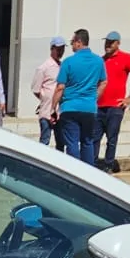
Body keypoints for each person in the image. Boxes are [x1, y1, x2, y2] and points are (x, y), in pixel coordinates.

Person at [53, 30, 105, 166]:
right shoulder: (98, 61)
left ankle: (74, 171)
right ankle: (88, 172)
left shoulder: (68, 62)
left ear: (79, 42)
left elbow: (60, 87)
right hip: (89, 108)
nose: (71, 46)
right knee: (87, 141)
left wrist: (53, 107)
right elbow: (103, 82)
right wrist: (94, 98)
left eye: (72, 43)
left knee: (72, 142)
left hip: (70, 107)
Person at [96, 31, 130, 172]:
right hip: (99, 106)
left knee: (112, 138)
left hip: (115, 107)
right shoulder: (101, 60)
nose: (108, 45)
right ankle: (92, 163)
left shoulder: (126, 58)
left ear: (118, 43)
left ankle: (109, 164)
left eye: (111, 42)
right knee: (95, 137)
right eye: (106, 42)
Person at [30, 37, 67, 149]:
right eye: (57, 49)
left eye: (62, 49)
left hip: (60, 111)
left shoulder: (63, 66)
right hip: (46, 111)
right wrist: (46, 98)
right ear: (52, 49)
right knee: (45, 140)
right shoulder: (43, 67)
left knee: (61, 141)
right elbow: (36, 89)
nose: (60, 52)